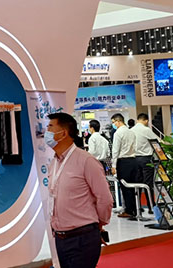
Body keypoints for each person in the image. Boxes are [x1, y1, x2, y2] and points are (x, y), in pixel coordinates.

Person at [45, 112, 112, 268]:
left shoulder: (86, 161)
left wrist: (98, 225)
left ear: (63, 133)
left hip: (82, 237)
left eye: (50, 127)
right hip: (60, 238)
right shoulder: (54, 162)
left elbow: (105, 198)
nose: (46, 132)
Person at [110, 113, 138, 219]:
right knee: (132, 186)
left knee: (125, 187)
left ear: (118, 121)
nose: (113, 124)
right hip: (133, 160)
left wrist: (113, 165)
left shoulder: (118, 133)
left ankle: (129, 210)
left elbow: (115, 150)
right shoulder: (131, 132)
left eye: (113, 122)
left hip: (123, 162)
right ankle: (135, 209)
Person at [132, 114, 158, 206]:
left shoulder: (131, 130)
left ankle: (138, 206)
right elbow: (156, 141)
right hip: (146, 159)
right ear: (146, 121)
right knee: (148, 183)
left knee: (137, 183)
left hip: (135, 159)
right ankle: (151, 205)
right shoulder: (146, 130)